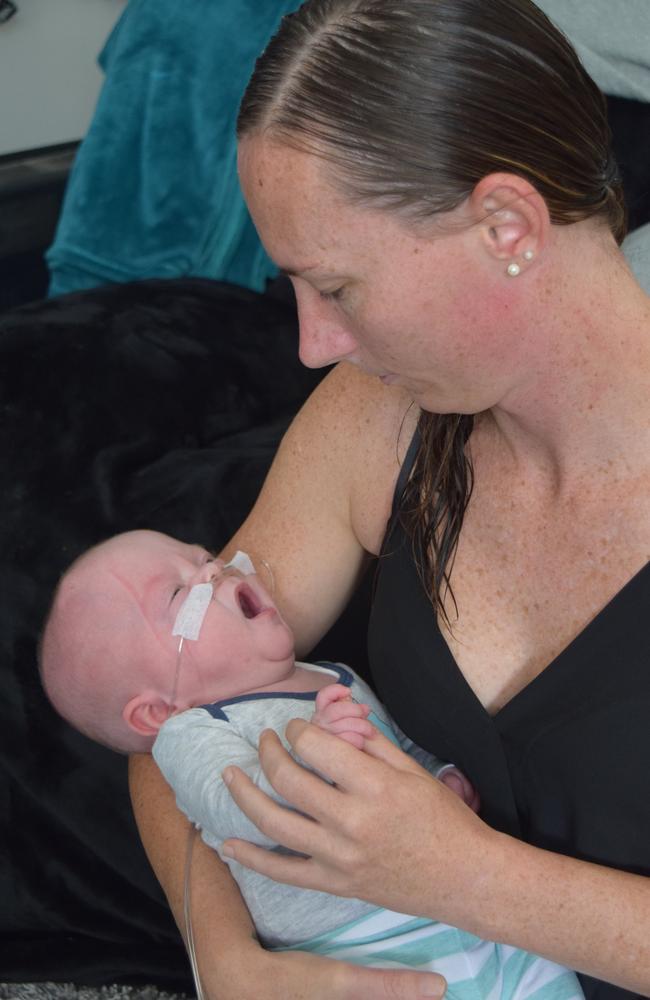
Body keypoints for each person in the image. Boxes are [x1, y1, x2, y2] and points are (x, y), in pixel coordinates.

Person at [127, 1, 650, 998]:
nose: (310, 343)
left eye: (337, 287)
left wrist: (463, 876)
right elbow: (167, 712)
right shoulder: (373, 422)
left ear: (506, 225)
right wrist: (222, 955)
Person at [40, 529, 582, 999]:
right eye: (180, 592)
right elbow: (237, 804)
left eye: (204, 555)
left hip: (469, 911)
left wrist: (437, 778)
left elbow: (393, 749)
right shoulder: (192, 733)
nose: (212, 572)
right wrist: (311, 755)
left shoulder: (329, 677)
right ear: (157, 709)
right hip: (359, 950)